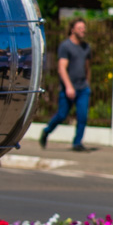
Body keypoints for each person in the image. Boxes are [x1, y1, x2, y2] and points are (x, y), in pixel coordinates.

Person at [40, 18, 92, 151]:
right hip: (68, 88)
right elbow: (61, 68)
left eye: (84, 28)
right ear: (72, 29)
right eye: (80, 28)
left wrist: (87, 84)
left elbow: (87, 67)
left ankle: (77, 143)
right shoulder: (65, 46)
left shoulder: (86, 47)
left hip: (82, 88)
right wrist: (69, 86)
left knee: (82, 116)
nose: (83, 31)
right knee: (62, 115)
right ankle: (47, 131)